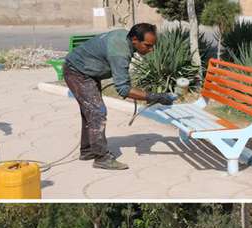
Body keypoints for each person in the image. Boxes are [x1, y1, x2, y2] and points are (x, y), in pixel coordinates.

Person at [63, 23, 177, 170]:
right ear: (135, 39)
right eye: (147, 45)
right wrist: (156, 96)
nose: (151, 49)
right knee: (97, 112)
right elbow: (123, 89)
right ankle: (102, 158)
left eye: (152, 46)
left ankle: (88, 150)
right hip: (77, 72)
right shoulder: (120, 52)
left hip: (86, 70)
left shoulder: (125, 37)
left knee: (91, 112)